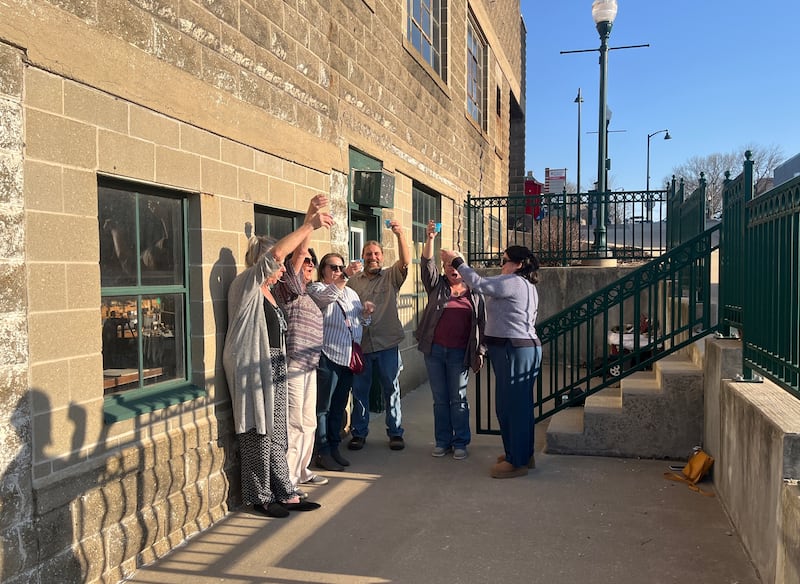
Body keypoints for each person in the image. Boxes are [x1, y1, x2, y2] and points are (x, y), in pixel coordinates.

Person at [222, 196, 332, 517]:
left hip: (275, 363)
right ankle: (260, 496)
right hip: (252, 368)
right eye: (276, 265)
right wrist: (307, 224)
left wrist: (312, 218)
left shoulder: (273, 290)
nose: (283, 270)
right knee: (258, 430)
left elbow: (295, 258)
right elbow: (280, 255)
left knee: (278, 429)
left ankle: (285, 490)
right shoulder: (246, 285)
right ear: (262, 262)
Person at [441, 245, 541, 479]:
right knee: (520, 406)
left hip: (513, 348)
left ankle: (517, 462)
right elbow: (482, 280)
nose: (501, 264)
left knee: (510, 407)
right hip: (517, 348)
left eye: (505, 260)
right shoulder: (518, 282)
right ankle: (521, 454)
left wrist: (456, 262)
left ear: (518, 264)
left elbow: (480, 284)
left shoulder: (514, 282)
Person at [274, 195, 330, 494]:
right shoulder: (289, 288)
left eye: (312, 263)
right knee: (295, 422)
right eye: (306, 262)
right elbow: (298, 252)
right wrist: (311, 216)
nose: (308, 264)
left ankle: (303, 470)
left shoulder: (311, 293)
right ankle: (289, 479)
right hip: (295, 362)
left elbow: (335, 288)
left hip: (310, 363)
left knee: (308, 421)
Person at [416, 221, 485, 460]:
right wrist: (430, 238)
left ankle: (460, 442)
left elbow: (483, 325)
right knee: (440, 399)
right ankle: (442, 441)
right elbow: (426, 265)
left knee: (459, 398)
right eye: (447, 265)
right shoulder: (437, 286)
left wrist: (480, 351)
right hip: (434, 351)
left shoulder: (475, 292)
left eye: (455, 265)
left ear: (463, 267)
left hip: (460, 353)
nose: (451, 269)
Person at [346, 220, 411, 451]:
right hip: (361, 346)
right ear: (362, 257)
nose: (372, 257)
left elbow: (405, 261)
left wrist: (400, 233)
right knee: (360, 391)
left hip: (387, 344)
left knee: (391, 389)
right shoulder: (352, 282)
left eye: (376, 253)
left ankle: (395, 432)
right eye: (368, 254)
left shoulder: (391, 277)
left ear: (382, 257)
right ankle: (359, 433)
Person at [307, 253, 375, 471]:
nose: (337, 271)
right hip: (328, 355)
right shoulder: (317, 289)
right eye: (333, 268)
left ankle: (334, 447)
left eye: (340, 267)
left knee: (338, 406)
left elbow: (361, 322)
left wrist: (366, 313)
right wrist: (344, 276)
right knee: (323, 408)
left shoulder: (351, 293)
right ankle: (322, 450)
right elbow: (324, 300)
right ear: (324, 270)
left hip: (348, 358)